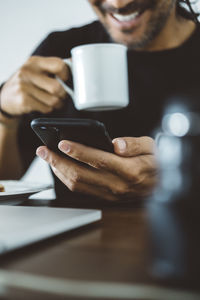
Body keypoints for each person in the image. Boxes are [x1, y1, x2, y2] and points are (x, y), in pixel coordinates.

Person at [0, 0, 199, 204]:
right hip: (74, 234)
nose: (118, 3)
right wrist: (5, 115)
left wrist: (179, 176)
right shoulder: (58, 49)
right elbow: (4, 179)